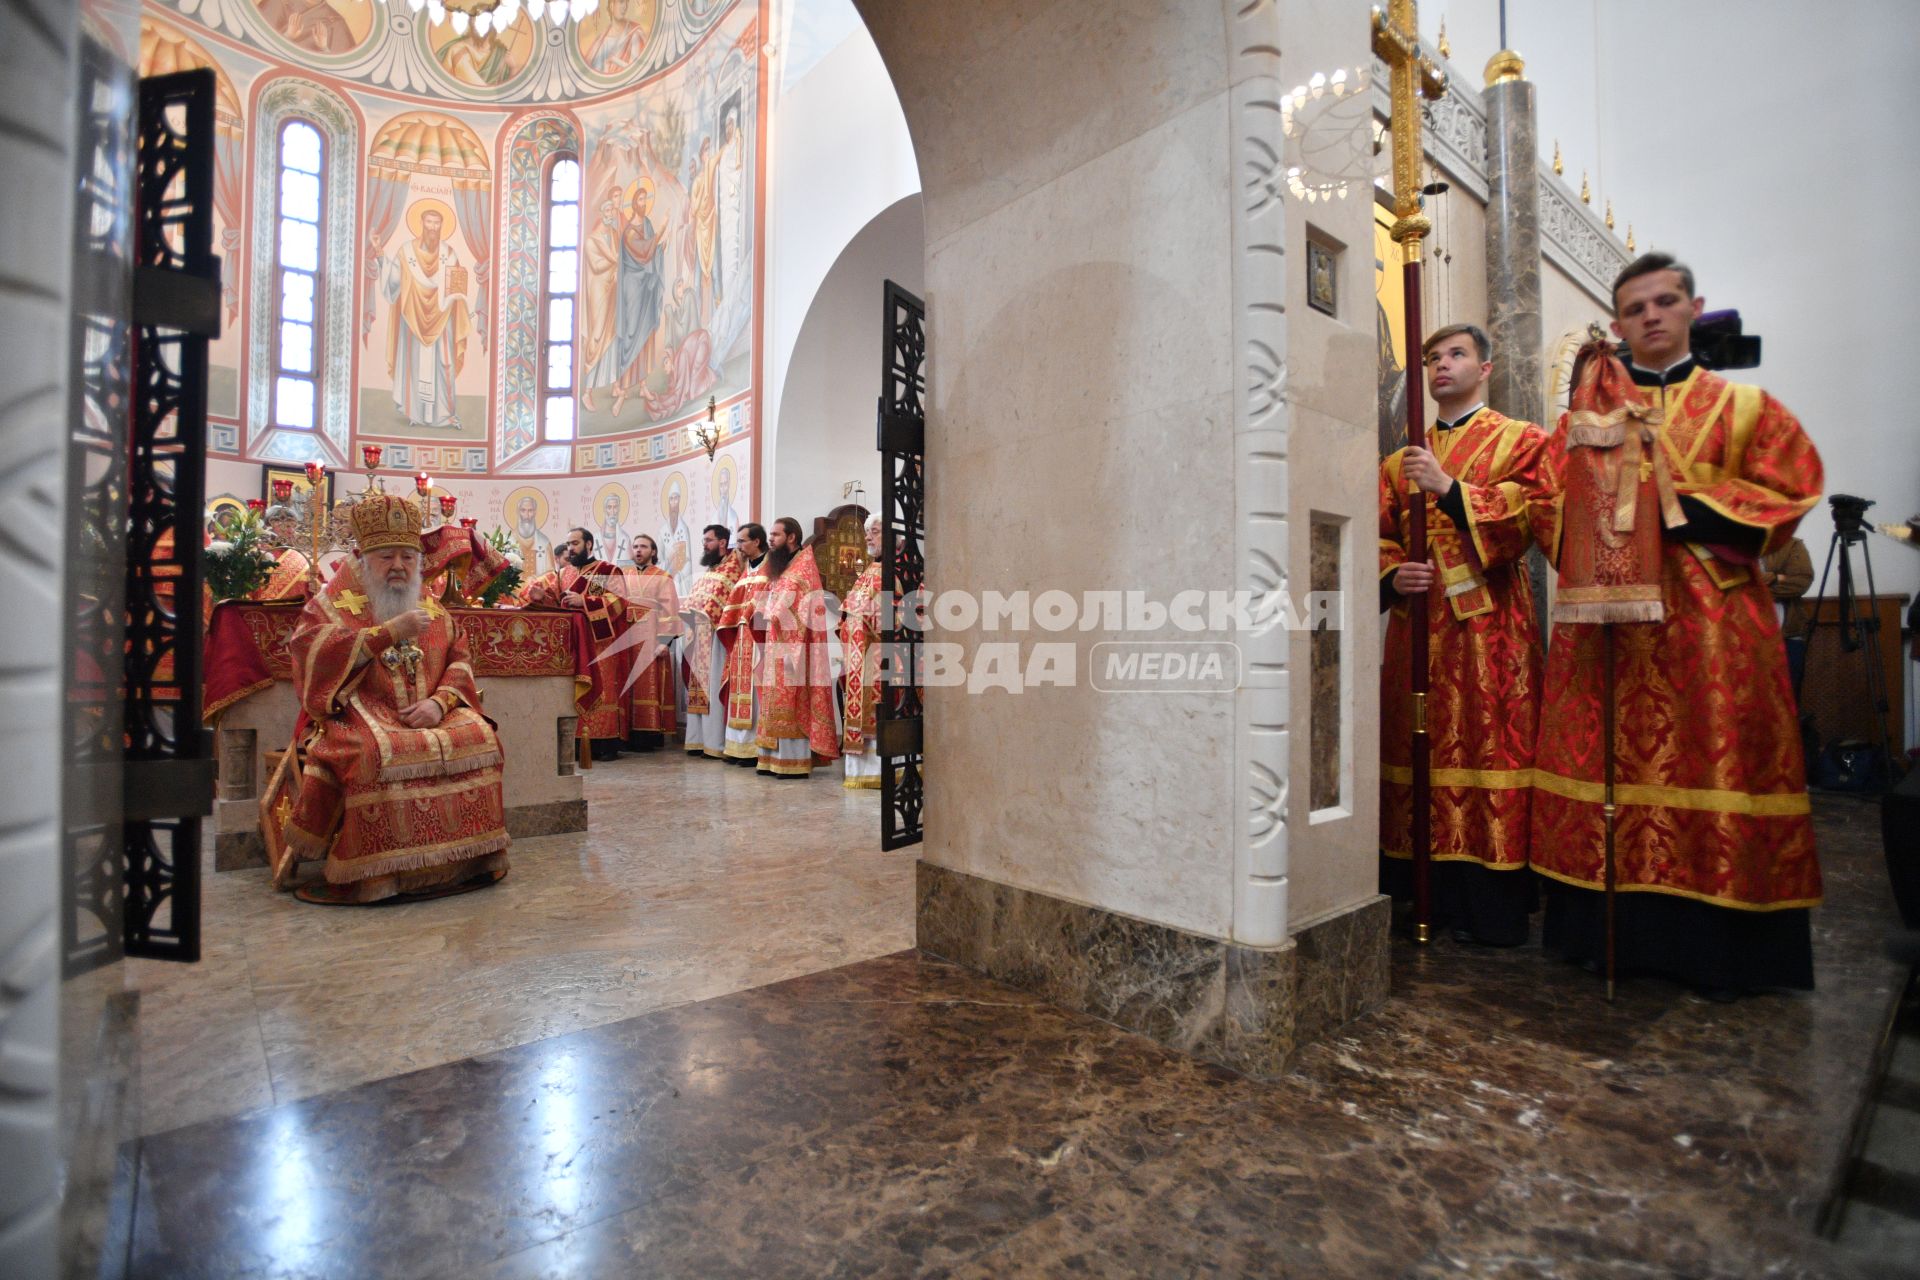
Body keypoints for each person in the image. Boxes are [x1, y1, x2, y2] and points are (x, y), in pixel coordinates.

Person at [1530, 253, 1824, 998]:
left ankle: (1724, 946)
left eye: (1666, 302)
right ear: (1619, 322)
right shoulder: (1585, 417)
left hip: (1715, 627)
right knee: (1614, 767)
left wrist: (1679, 506)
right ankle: (1608, 940)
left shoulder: (1747, 409)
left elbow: (1790, 489)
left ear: (1695, 308)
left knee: (1716, 759)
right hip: (1612, 636)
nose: (1652, 317)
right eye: (1635, 309)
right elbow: (1543, 504)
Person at [1378, 324, 1550, 946]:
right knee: (1415, 749)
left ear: (1485, 368)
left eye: (1456, 355)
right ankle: (1424, 890)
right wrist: (1396, 574)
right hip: (1418, 628)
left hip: (1490, 630)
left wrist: (1450, 490)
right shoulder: (1401, 460)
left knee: (1489, 746)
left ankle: (1492, 903)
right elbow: (1378, 534)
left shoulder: (1522, 440)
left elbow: (1532, 515)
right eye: (1431, 357)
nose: (1441, 365)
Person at [278, 493, 509, 904]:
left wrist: (439, 703)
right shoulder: (332, 605)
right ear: (364, 558)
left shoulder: (433, 607)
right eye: (387, 557)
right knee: (371, 752)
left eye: (408, 556)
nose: (400, 566)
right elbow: (310, 653)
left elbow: (460, 657)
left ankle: (469, 862)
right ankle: (377, 877)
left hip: (431, 710)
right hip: (358, 713)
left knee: (480, 736)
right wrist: (386, 633)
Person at [525, 527, 634, 761]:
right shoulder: (564, 574)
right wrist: (540, 597)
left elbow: (618, 602)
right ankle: (576, 742)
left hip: (600, 645)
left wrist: (584, 601)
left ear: (589, 545)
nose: (571, 548)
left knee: (602, 690)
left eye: (575, 543)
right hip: (572, 645)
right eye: (568, 544)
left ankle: (604, 743)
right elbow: (556, 602)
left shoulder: (607, 570)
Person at [755, 518, 840, 778]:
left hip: (797, 645)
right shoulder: (781, 566)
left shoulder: (804, 567)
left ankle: (793, 761)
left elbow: (799, 604)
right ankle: (771, 758)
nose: (771, 539)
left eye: (776, 535)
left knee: (793, 697)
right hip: (777, 642)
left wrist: (774, 610)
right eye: (770, 534)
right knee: (774, 696)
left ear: (791, 537)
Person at [381, 200, 473, 431]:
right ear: (421, 223)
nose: (432, 227)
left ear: (442, 226)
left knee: (444, 366)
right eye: (429, 222)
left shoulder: (449, 254)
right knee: (414, 364)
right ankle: (416, 413)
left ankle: (445, 414)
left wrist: (456, 299)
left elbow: (458, 289)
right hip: (413, 321)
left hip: (442, 322)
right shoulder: (406, 252)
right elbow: (394, 282)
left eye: (437, 223)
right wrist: (381, 257)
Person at [682, 524, 743, 759]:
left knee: (713, 688)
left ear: (722, 542)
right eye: (703, 540)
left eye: (709, 540)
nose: (704, 544)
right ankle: (697, 740)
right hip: (699, 636)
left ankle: (715, 743)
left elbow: (722, 600)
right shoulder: (710, 571)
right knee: (698, 692)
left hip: (716, 636)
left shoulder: (732, 568)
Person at [716, 522, 771, 766]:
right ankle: (738, 748)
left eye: (741, 541)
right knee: (739, 692)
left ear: (756, 541)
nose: (737, 546)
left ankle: (755, 750)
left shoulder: (772, 567)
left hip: (761, 642)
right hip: (740, 640)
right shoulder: (746, 570)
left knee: (757, 695)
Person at [622, 533, 682, 751]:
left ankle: (647, 736)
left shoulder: (662, 577)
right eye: (635, 546)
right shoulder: (622, 574)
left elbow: (670, 611)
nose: (638, 550)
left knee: (648, 686)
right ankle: (625, 734)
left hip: (651, 638)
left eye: (643, 547)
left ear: (653, 551)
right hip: (625, 638)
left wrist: (664, 642)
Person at [840, 515, 885, 789]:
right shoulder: (868, 572)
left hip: (883, 659)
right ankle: (860, 772)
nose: (867, 537)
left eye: (875, 532)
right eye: (867, 532)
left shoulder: (901, 570)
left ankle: (885, 772)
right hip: (859, 660)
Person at [257, 503, 315, 602]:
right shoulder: (258, 555)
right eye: (286, 526)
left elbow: (320, 594)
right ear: (268, 527)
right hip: (262, 614)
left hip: (299, 615)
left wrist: (317, 589)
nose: (291, 531)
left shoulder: (305, 559)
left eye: (293, 526)